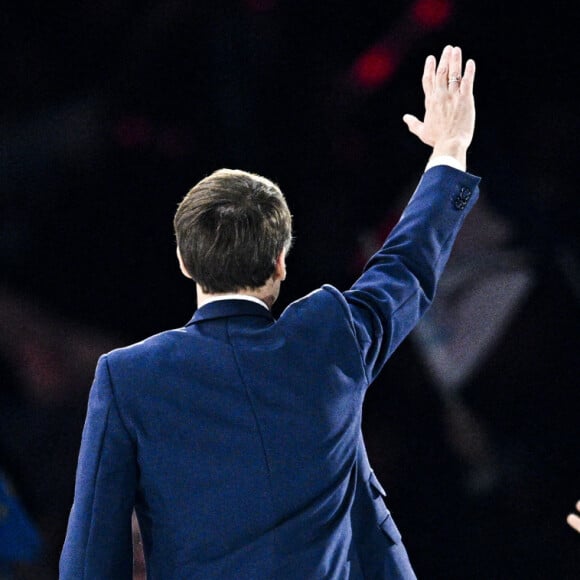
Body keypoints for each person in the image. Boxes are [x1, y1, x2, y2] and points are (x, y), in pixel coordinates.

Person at [60, 44, 478, 579]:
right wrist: (450, 151)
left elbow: (90, 556)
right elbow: (409, 265)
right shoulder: (330, 336)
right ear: (281, 261)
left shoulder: (128, 377)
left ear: (185, 262)